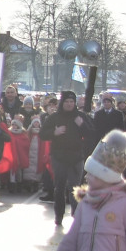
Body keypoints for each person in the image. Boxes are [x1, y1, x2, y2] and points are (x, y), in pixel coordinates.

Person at [40, 90, 96, 228]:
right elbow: (42, 134)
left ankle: (76, 215)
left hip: (76, 157)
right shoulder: (55, 117)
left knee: (75, 187)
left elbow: (91, 133)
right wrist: (54, 132)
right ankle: (58, 216)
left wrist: (81, 125)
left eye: (72, 102)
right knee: (59, 188)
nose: (69, 104)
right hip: (58, 156)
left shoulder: (80, 116)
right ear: (62, 103)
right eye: (67, 102)